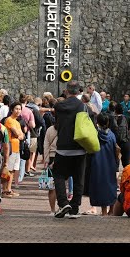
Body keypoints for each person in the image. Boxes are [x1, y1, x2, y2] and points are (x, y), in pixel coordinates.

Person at [52, 80, 87, 219]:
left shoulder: (59, 106)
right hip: (80, 147)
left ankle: (63, 202)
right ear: (79, 91)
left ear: (66, 91)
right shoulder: (83, 107)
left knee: (59, 176)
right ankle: (75, 208)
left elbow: (57, 124)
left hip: (63, 147)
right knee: (79, 178)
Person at [89, 113, 118, 215]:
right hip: (110, 163)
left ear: (97, 122)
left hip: (98, 164)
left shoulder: (95, 135)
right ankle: (111, 209)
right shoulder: (112, 135)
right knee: (111, 185)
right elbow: (115, 150)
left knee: (101, 187)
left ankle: (104, 211)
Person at [43, 121, 59, 214]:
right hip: (63, 157)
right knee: (62, 185)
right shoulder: (67, 127)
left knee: (51, 186)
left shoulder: (50, 129)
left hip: (52, 157)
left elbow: (46, 145)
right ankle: (61, 207)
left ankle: (52, 210)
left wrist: (46, 159)